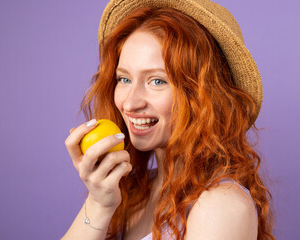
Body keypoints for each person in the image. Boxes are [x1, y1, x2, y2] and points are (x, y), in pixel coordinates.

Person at [63, 0, 275, 239]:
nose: (130, 103)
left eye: (157, 81)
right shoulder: (132, 192)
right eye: (124, 79)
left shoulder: (219, 207)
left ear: (204, 95)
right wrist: (99, 204)